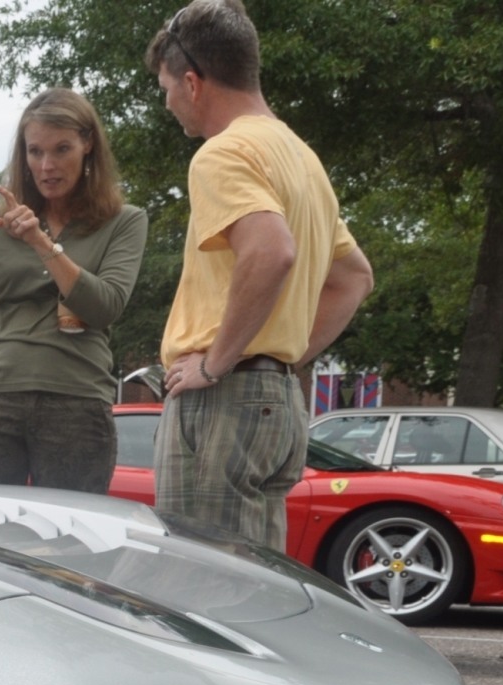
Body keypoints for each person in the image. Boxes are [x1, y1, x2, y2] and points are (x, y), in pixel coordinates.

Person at [147, 0, 375, 548]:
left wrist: (220, 362)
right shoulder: (302, 160)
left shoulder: (222, 154)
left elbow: (271, 251)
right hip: (276, 402)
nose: (169, 102)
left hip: (222, 399)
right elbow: (353, 279)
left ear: (194, 82)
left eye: (166, 88)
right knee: (254, 584)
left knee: (206, 586)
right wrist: (281, 358)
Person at [0, 88, 148, 493]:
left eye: (62, 149)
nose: (47, 166)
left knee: (71, 544)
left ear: (88, 144)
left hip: (76, 401)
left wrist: (43, 244)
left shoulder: (125, 221)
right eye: (34, 151)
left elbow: (106, 306)